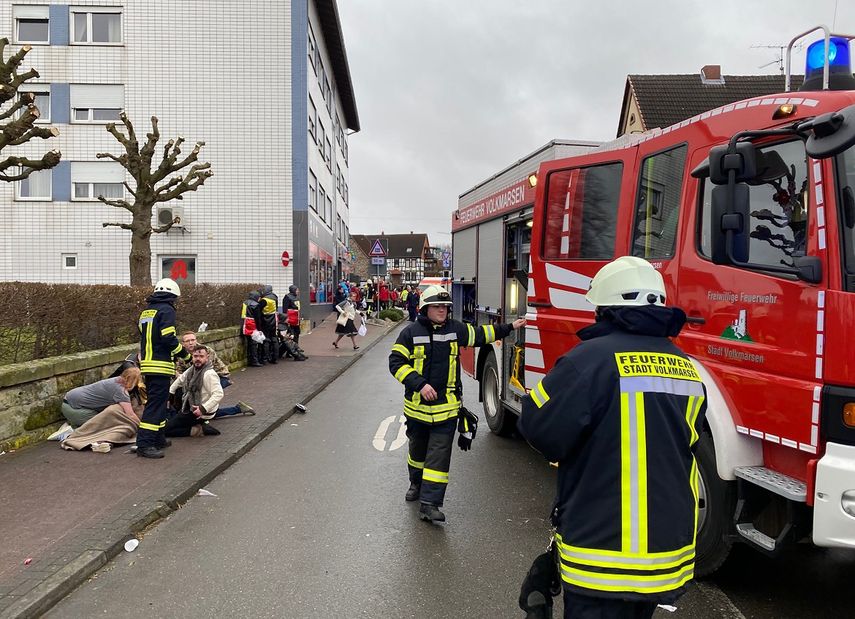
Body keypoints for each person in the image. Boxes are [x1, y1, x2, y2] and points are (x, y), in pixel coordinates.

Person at [518, 256, 707, 619]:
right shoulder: (686, 367)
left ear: (605, 309)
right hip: (664, 556)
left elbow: (540, 429)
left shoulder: (588, 360)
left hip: (600, 556)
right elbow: (688, 444)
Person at [388, 285, 526, 523]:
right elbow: (396, 363)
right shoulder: (409, 333)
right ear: (425, 308)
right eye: (437, 306)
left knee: (439, 457)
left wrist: (511, 327)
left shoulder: (456, 330)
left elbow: (483, 335)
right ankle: (416, 483)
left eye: (446, 307)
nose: (443, 310)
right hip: (417, 410)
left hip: (447, 409)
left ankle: (430, 504)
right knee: (417, 453)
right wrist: (420, 384)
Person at [136, 278, 192, 459]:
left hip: (148, 364)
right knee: (155, 406)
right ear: (172, 296)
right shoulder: (167, 310)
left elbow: (144, 335)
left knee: (160, 404)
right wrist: (185, 355)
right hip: (160, 365)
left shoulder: (147, 311)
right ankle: (144, 444)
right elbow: (168, 338)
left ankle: (158, 438)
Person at [175, 332, 255, 417]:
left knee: (205, 407)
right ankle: (238, 408)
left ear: (196, 340)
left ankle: (235, 409)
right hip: (199, 379)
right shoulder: (181, 354)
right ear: (183, 344)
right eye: (187, 341)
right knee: (204, 409)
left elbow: (205, 370)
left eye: (192, 340)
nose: (191, 343)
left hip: (219, 376)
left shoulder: (206, 351)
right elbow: (179, 370)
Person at [166, 346, 224, 437]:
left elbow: (218, 394)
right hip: (190, 407)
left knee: (165, 431)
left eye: (201, 356)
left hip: (201, 412)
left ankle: (199, 430)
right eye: (195, 356)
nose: (198, 359)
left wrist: (202, 408)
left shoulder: (209, 374)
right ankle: (196, 425)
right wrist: (170, 393)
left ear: (207, 358)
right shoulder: (191, 370)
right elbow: (180, 379)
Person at [61, 368, 142, 428]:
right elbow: (130, 415)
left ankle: (74, 424)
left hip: (69, 399)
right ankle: (73, 429)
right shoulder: (121, 392)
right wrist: (143, 428)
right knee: (103, 424)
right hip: (72, 408)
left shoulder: (115, 379)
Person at [260, 285, 280, 364]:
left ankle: (265, 358)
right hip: (274, 320)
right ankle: (275, 358)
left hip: (265, 321)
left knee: (266, 340)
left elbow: (259, 310)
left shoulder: (264, 300)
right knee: (274, 339)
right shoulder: (275, 297)